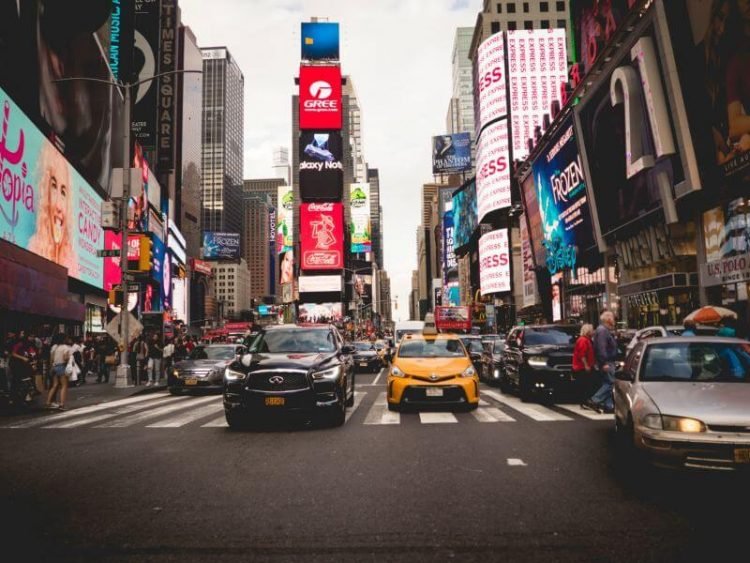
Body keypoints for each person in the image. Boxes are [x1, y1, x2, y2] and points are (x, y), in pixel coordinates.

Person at [583, 311, 618, 414]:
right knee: (611, 383)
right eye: (613, 318)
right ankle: (594, 400)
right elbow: (601, 348)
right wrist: (604, 363)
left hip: (606, 361)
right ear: (608, 319)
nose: (614, 320)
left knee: (606, 382)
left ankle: (608, 406)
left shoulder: (602, 330)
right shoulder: (603, 331)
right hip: (607, 361)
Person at [46, 335, 71, 410]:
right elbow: (65, 358)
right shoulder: (66, 347)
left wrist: (51, 367)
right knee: (64, 386)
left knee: (55, 385)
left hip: (54, 367)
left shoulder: (54, 347)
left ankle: (48, 402)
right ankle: (62, 404)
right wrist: (69, 359)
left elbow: (51, 358)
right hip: (61, 366)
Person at [573, 323, 595, 397]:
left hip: (585, 366)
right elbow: (582, 354)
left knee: (586, 384)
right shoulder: (583, 340)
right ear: (588, 331)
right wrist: (586, 365)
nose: (593, 332)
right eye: (592, 330)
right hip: (581, 367)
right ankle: (584, 400)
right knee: (585, 384)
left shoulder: (587, 340)